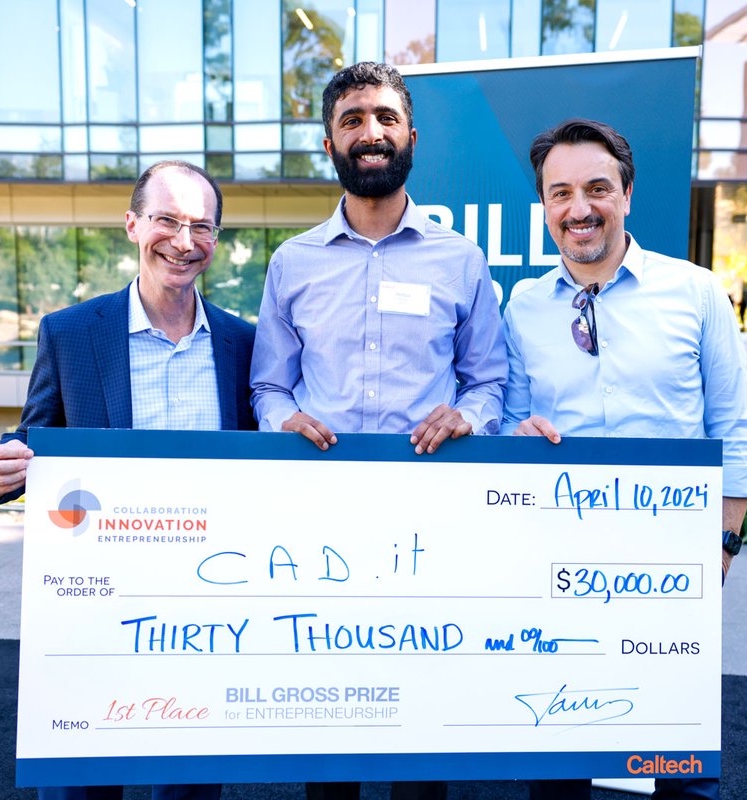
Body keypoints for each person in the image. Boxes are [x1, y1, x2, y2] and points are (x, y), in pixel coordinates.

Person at [249, 62, 508, 800]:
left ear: (411, 137)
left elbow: (488, 380)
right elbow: (268, 382)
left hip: (429, 520)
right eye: (353, 119)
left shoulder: (459, 259)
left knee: (420, 726)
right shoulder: (291, 262)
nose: (371, 133)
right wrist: (281, 417)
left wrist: (471, 415)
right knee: (328, 725)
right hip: (318, 523)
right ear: (328, 143)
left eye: (385, 118)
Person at [0, 159, 255, 800]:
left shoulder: (244, 344)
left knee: (187, 788)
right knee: (83, 788)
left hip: (204, 613)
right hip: (96, 614)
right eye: (167, 221)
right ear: (133, 225)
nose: (184, 242)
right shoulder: (71, 333)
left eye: (202, 227)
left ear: (215, 240)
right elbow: (35, 439)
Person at [502, 119, 747, 800]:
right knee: (558, 756)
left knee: (673, 758)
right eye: (559, 193)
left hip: (668, 563)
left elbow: (732, 425)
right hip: (557, 562)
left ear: (627, 194)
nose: (577, 208)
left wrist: (723, 544)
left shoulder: (697, 291)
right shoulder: (523, 305)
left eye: (595, 188)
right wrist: (515, 435)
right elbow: (507, 420)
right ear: (544, 207)